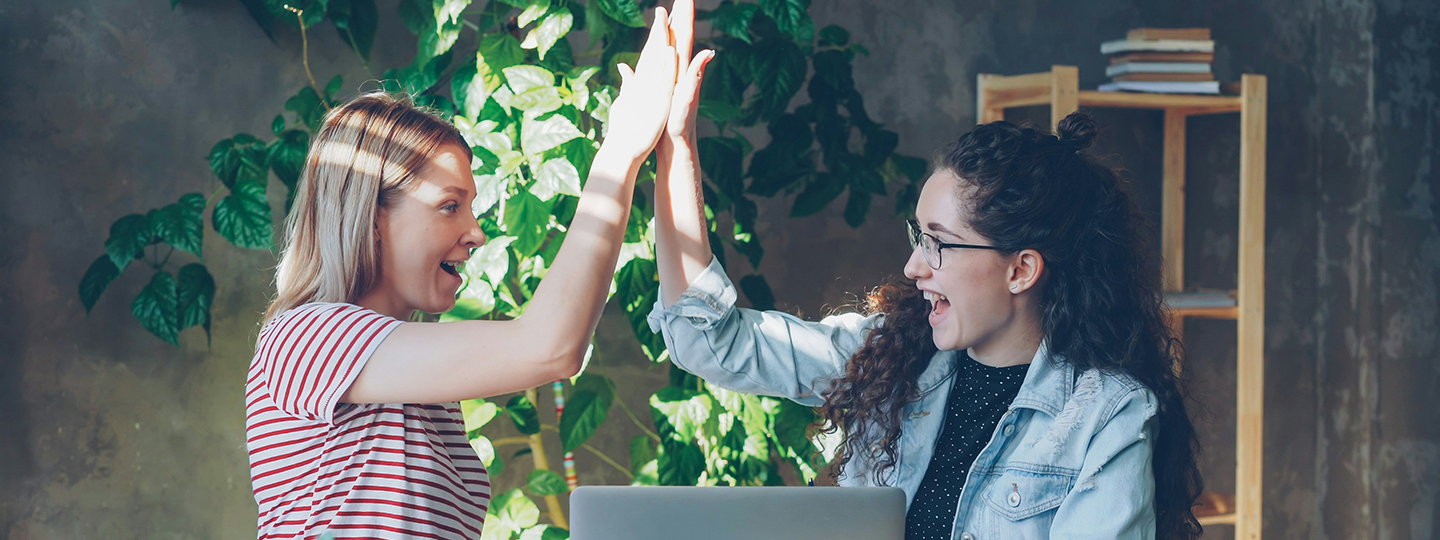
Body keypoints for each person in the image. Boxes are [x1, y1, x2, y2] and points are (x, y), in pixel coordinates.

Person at [243, 4, 711, 537]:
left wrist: (673, 142)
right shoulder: (308, 336)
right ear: (372, 218)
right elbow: (551, 347)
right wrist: (623, 150)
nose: (476, 232)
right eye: (449, 206)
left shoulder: (417, 384)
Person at [648, 97, 1205, 537]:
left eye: (940, 243)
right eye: (918, 235)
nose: (914, 266)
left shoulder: (1107, 417)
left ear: (1021, 270)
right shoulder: (891, 352)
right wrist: (676, 147)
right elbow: (710, 339)